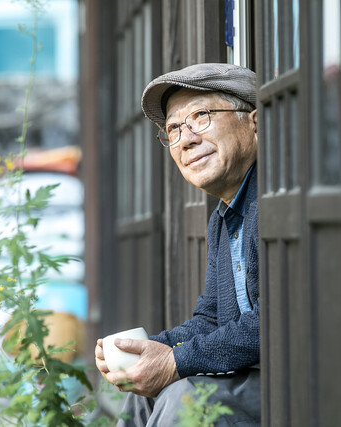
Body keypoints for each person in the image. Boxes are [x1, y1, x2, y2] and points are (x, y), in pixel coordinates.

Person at [94, 63, 261, 426]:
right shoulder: (223, 217)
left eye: (201, 116)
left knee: (183, 396)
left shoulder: (273, 202)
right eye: (173, 129)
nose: (185, 140)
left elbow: (275, 320)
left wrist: (175, 361)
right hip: (253, 376)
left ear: (254, 121)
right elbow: (211, 319)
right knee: (148, 394)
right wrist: (147, 350)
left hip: (297, 381)